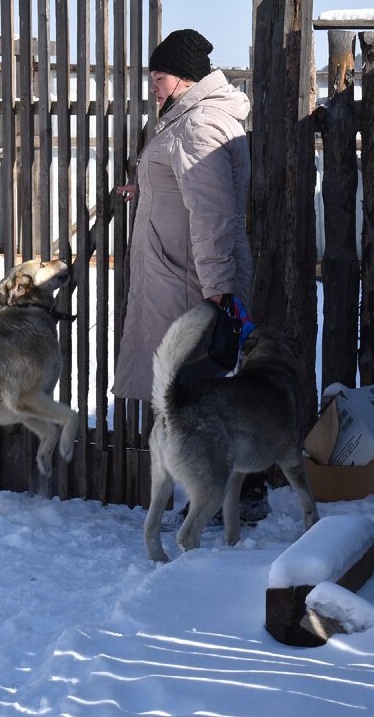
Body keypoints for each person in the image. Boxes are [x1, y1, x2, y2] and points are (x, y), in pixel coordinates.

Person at [111, 28, 268, 521]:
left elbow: (213, 216)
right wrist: (149, 190)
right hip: (179, 274)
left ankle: (230, 498)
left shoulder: (198, 126)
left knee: (201, 396)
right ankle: (227, 494)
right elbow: (189, 188)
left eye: (158, 77)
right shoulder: (188, 121)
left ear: (182, 78)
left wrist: (220, 293)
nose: (152, 87)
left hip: (191, 283)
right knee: (199, 392)